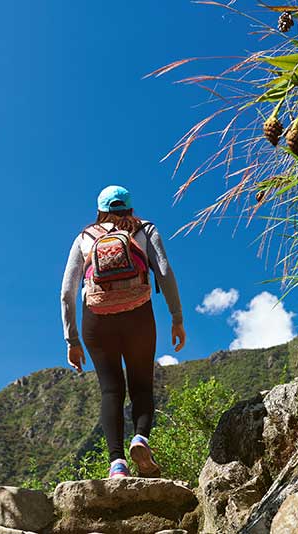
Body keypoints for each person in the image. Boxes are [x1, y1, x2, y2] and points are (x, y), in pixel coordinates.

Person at [60, 185, 186, 479]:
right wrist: (176, 318)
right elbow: (164, 272)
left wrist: (72, 339)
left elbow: (67, 292)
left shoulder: (85, 237)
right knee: (141, 384)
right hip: (138, 315)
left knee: (111, 389)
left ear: (100, 209)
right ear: (129, 207)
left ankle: (117, 464)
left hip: (96, 319)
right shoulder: (144, 229)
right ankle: (140, 438)